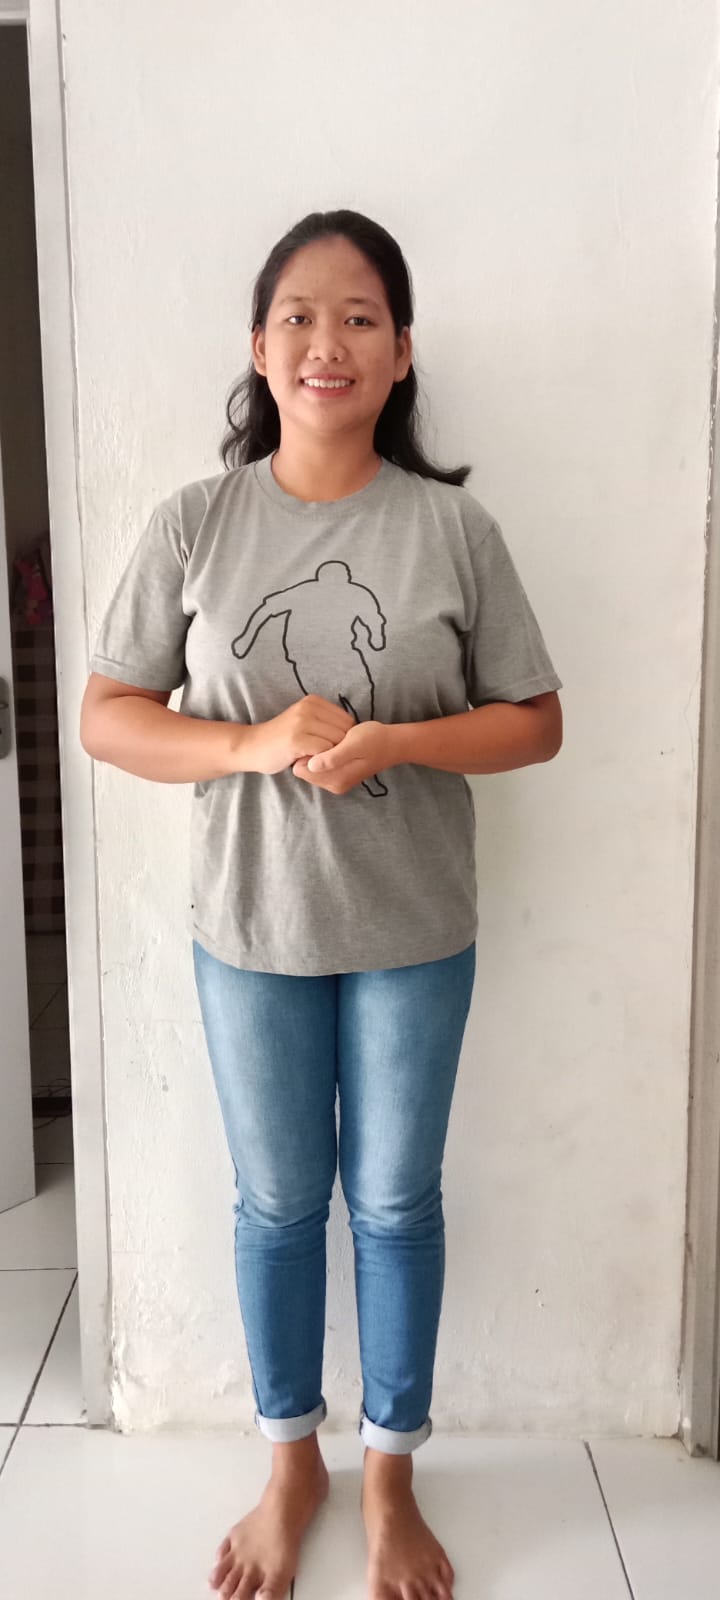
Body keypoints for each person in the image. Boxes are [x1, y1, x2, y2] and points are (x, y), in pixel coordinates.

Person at [80, 208, 563, 1600]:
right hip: (253, 929)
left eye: (359, 317)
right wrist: (249, 743)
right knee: (280, 1205)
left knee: (396, 1204)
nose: (325, 341)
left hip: (416, 930)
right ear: (258, 346)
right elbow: (110, 716)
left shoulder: (452, 529)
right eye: (297, 314)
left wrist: (399, 739)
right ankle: (291, 1464)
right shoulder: (196, 523)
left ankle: (391, 1476)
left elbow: (535, 721)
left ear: (402, 352)